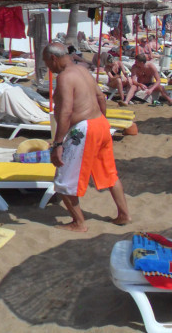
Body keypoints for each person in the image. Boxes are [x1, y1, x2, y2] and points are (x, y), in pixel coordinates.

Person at [42, 43, 130, 232]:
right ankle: (124, 215)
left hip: (84, 129)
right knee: (109, 173)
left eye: (47, 63)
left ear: (53, 59)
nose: (48, 67)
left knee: (63, 179)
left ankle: (78, 223)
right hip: (100, 124)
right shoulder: (82, 70)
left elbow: (65, 112)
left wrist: (58, 143)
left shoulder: (65, 77)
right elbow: (101, 98)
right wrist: (103, 123)